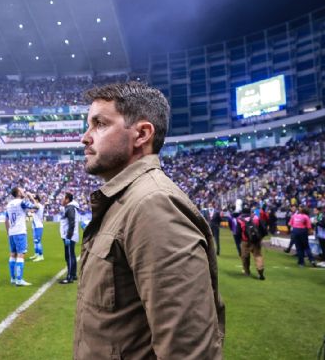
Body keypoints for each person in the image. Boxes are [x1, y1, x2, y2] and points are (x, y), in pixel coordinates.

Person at [75, 82, 224, 359]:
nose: (85, 137)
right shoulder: (125, 200)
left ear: (142, 134)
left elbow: (188, 350)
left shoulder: (153, 205)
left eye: (99, 124)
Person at [5, 187, 38, 287]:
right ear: (18, 193)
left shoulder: (9, 204)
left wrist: (8, 233)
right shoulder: (22, 202)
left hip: (12, 232)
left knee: (12, 254)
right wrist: (31, 197)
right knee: (20, 255)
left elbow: (6, 220)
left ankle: (13, 278)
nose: (23, 191)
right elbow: (36, 207)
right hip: (20, 232)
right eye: (22, 190)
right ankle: (19, 280)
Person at [238, 207, 266, 280]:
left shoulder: (240, 220)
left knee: (245, 257)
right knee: (258, 256)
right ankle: (260, 273)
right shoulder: (256, 218)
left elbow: (238, 232)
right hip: (256, 241)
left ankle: (247, 272)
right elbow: (264, 229)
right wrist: (260, 238)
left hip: (245, 241)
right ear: (250, 212)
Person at [58, 192, 80, 284]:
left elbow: (72, 223)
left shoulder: (70, 208)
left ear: (67, 199)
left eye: (63, 198)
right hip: (69, 236)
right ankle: (73, 274)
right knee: (71, 255)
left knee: (69, 256)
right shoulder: (69, 207)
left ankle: (69, 277)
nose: (61, 200)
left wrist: (68, 236)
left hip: (69, 236)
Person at [29, 194, 46, 262]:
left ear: (36, 200)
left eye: (34, 199)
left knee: (37, 241)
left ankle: (41, 256)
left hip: (38, 226)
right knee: (35, 241)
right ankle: (36, 254)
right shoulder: (37, 206)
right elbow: (31, 211)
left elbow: (34, 208)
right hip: (35, 225)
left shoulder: (39, 206)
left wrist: (31, 197)